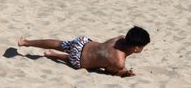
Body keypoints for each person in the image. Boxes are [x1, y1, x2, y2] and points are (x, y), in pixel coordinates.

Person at [16, 27, 150, 77]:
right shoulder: (119, 61)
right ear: (136, 48)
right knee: (79, 60)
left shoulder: (120, 38)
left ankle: (26, 42)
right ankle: (55, 55)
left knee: (59, 44)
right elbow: (109, 71)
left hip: (83, 43)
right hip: (79, 59)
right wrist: (125, 73)